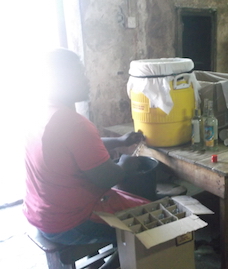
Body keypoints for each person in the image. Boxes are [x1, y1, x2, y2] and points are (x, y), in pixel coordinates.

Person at [23, 48, 149, 268]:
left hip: (39, 212)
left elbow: (78, 148)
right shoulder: (75, 125)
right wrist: (126, 164)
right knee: (151, 222)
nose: (87, 80)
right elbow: (108, 178)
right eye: (80, 74)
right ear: (64, 80)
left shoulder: (43, 114)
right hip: (69, 221)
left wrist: (119, 141)